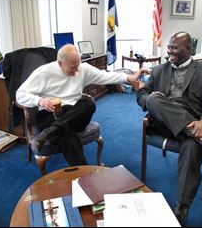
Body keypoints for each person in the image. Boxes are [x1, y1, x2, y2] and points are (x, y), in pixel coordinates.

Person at [136, 31, 202, 226]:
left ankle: (181, 207)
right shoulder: (159, 69)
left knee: (192, 146)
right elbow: (142, 93)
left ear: (188, 49)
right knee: (153, 97)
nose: (169, 51)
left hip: (193, 123)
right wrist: (150, 103)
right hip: (162, 123)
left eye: (174, 48)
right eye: (168, 47)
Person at [16, 44, 144, 166]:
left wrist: (129, 78)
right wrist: (39, 101)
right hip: (50, 115)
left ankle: (50, 133)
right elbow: (20, 94)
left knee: (88, 103)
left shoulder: (82, 68)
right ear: (60, 63)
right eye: (72, 67)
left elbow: (105, 76)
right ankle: (82, 176)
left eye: (78, 65)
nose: (77, 71)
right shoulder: (43, 72)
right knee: (67, 134)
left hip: (75, 115)